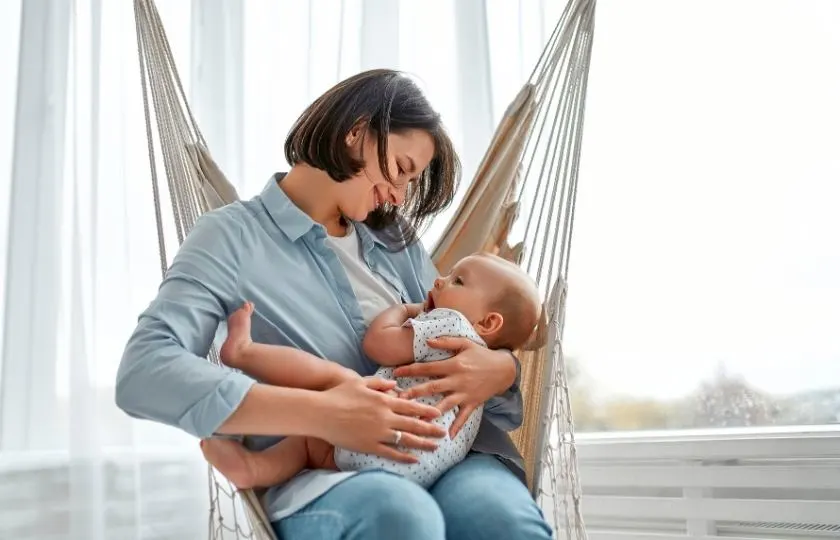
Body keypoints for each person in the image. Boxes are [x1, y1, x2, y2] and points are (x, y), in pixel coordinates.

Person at [115, 69, 553, 540]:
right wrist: (324, 415)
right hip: (326, 471)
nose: (401, 196)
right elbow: (144, 373)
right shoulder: (231, 238)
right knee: (400, 516)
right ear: (357, 132)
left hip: (452, 453)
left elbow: (464, 330)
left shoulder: (394, 240)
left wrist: (502, 368)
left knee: (502, 522)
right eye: (402, 170)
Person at [201, 252, 542, 490]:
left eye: (458, 280)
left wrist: (401, 310)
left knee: (335, 383)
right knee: (315, 444)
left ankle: (244, 355)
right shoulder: (479, 359)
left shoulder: (449, 325)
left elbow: (378, 345)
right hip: (415, 472)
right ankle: (251, 469)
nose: (439, 280)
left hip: (379, 437)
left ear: (487, 322)